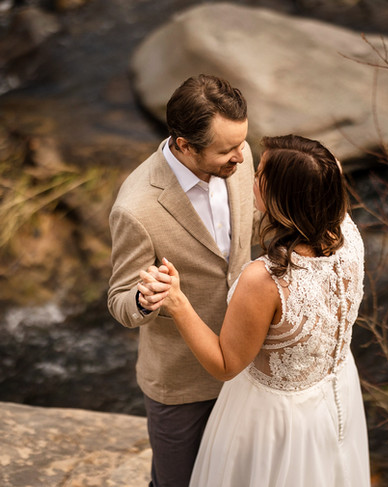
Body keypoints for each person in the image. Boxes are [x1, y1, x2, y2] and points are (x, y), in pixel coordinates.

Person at [158, 134, 371, 487]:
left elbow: (225, 365)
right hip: (336, 394)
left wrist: (178, 302)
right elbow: (329, 170)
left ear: (281, 196)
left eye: (258, 173)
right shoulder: (346, 233)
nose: (248, 170)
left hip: (276, 420)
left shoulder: (266, 279)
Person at [107, 74, 260, 487]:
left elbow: (253, 231)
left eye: (242, 143)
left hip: (245, 364)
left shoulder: (237, 157)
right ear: (183, 145)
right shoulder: (136, 208)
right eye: (227, 150)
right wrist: (145, 298)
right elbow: (119, 300)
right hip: (181, 384)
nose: (241, 157)